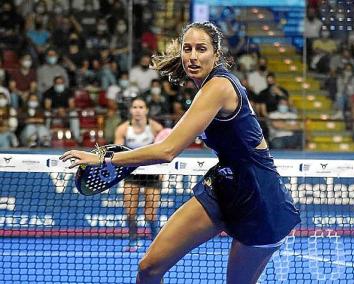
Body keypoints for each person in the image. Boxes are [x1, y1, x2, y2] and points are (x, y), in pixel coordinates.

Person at [60, 22, 300, 283]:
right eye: (187, 49)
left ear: (216, 55)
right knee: (149, 267)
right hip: (224, 184)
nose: (193, 56)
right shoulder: (205, 88)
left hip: (261, 198)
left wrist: (104, 159)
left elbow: (167, 150)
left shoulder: (219, 87)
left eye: (201, 49)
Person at [114, 96, 163, 252]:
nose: (138, 110)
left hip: (152, 174)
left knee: (150, 214)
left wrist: (163, 171)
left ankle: (156, 243)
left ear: (146, 110)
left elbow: (164, 151)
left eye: (141, 107)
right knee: (130, 211)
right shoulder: (122, 129)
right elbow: (117, 153)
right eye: (135, 107)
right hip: (131, 173)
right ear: (130, 110)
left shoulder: (156, 128)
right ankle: (133, 241)